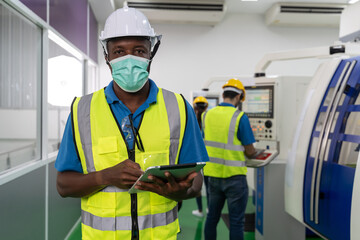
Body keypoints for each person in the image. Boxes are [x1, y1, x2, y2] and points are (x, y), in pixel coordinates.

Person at [55, 6, 209, 240]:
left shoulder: (179, 107)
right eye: (118, 51)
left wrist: (181, 192)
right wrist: (105, 177)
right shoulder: (81, 111)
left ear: (151, 53)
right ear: (107, 57)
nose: (129, 59)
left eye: (138, 50)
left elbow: (195, 181)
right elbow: (64, 185)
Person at [203, 79, 258, 240]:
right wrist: (255, 154)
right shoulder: (240, 117)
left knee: (212, 218)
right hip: (235, 178)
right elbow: (249, 150)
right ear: (239, 97)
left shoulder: (207, 115)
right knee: (236, 222)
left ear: (224, 94)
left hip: (213, 177)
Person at [191, 96, 209, 218]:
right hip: (208, 155)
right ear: (206, 106)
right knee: (208, 185)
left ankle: (200, 210)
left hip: (195, 155)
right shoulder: (209, 118)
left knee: (197, 184)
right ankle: (209, 208)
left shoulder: (191, 117)